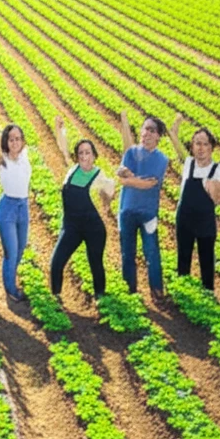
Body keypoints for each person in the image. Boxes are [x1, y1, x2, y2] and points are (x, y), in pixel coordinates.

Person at [49, 117, 115, 299]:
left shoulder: (99, 175)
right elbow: (63, 148)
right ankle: (56, 295)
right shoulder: (73, 170)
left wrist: (106, 202)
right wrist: (59, 128)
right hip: (71, 226)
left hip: (94, 228)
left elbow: (110, 194)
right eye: (81, 153)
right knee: (57, 261)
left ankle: (100, 296)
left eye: (88, 153)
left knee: (95, 263)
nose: (84, 157)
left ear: (94, 155)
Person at [167, 114, 220, 292]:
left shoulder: (219, 170)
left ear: (211, 147)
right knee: (183, 259)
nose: (201, 148)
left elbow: (219, 200)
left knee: (207, 261)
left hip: (205, 221)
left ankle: (208, 293)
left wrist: (212, 186)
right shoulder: (188, 163)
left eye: (205, 144)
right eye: (197, 144)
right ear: (192, 147)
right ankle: (183, 293)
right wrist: (176, 125)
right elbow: (175, 141)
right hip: (184, 219)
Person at [116, 111, 169, 301]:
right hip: (126, 211)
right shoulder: (131, 152)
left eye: (152, 130)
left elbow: (150, 184)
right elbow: (121, 177)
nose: (147, 133)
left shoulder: (162, 159)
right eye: (145, 129)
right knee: (127, 253)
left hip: (148, 214)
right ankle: (130, 291)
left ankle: (157, 290)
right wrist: (129, 177)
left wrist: (130, 178)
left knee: (152, 252)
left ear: (158, 136)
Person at [0, 117, 30, 302]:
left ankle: (10, 278)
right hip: (8, 209)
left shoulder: (25, 156)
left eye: (18, 138)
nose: (15, 142)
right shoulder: (3, 159)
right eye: (11, 139)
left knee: (20, 248)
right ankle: (11, 289)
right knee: (11, 252)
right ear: (6, 141)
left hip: (24, 207)